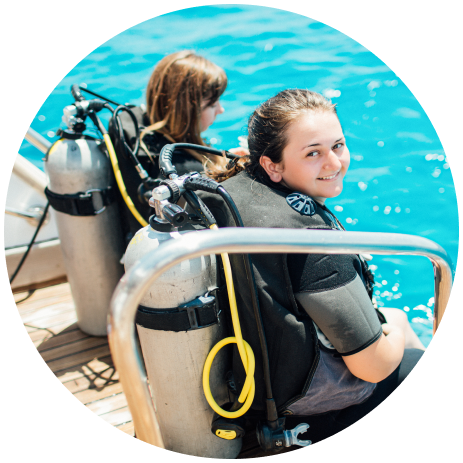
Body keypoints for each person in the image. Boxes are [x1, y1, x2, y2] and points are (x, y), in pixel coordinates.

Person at [200, 88, 425, 448]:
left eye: (338, 145)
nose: (334, 163)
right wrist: (396, 324)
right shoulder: (312, 242)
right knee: (417, 356)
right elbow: (373, 367)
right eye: (313, 153)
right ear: (271, 165)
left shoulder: (230, 192)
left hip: (251, 394)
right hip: (309, 416)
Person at [110, 50, 247, 241]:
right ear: (188, 111)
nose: (221, 110)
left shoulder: (140, 140)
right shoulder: (185, 171)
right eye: (213, 103)